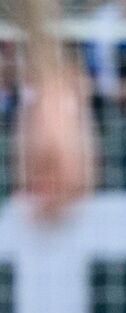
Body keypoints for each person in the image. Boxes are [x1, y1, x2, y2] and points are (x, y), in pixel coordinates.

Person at [12, 0, 97, 222]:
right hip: (56, 104)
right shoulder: (78, 180)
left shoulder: (33, 179)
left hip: (49, 102)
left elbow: (23, 144)